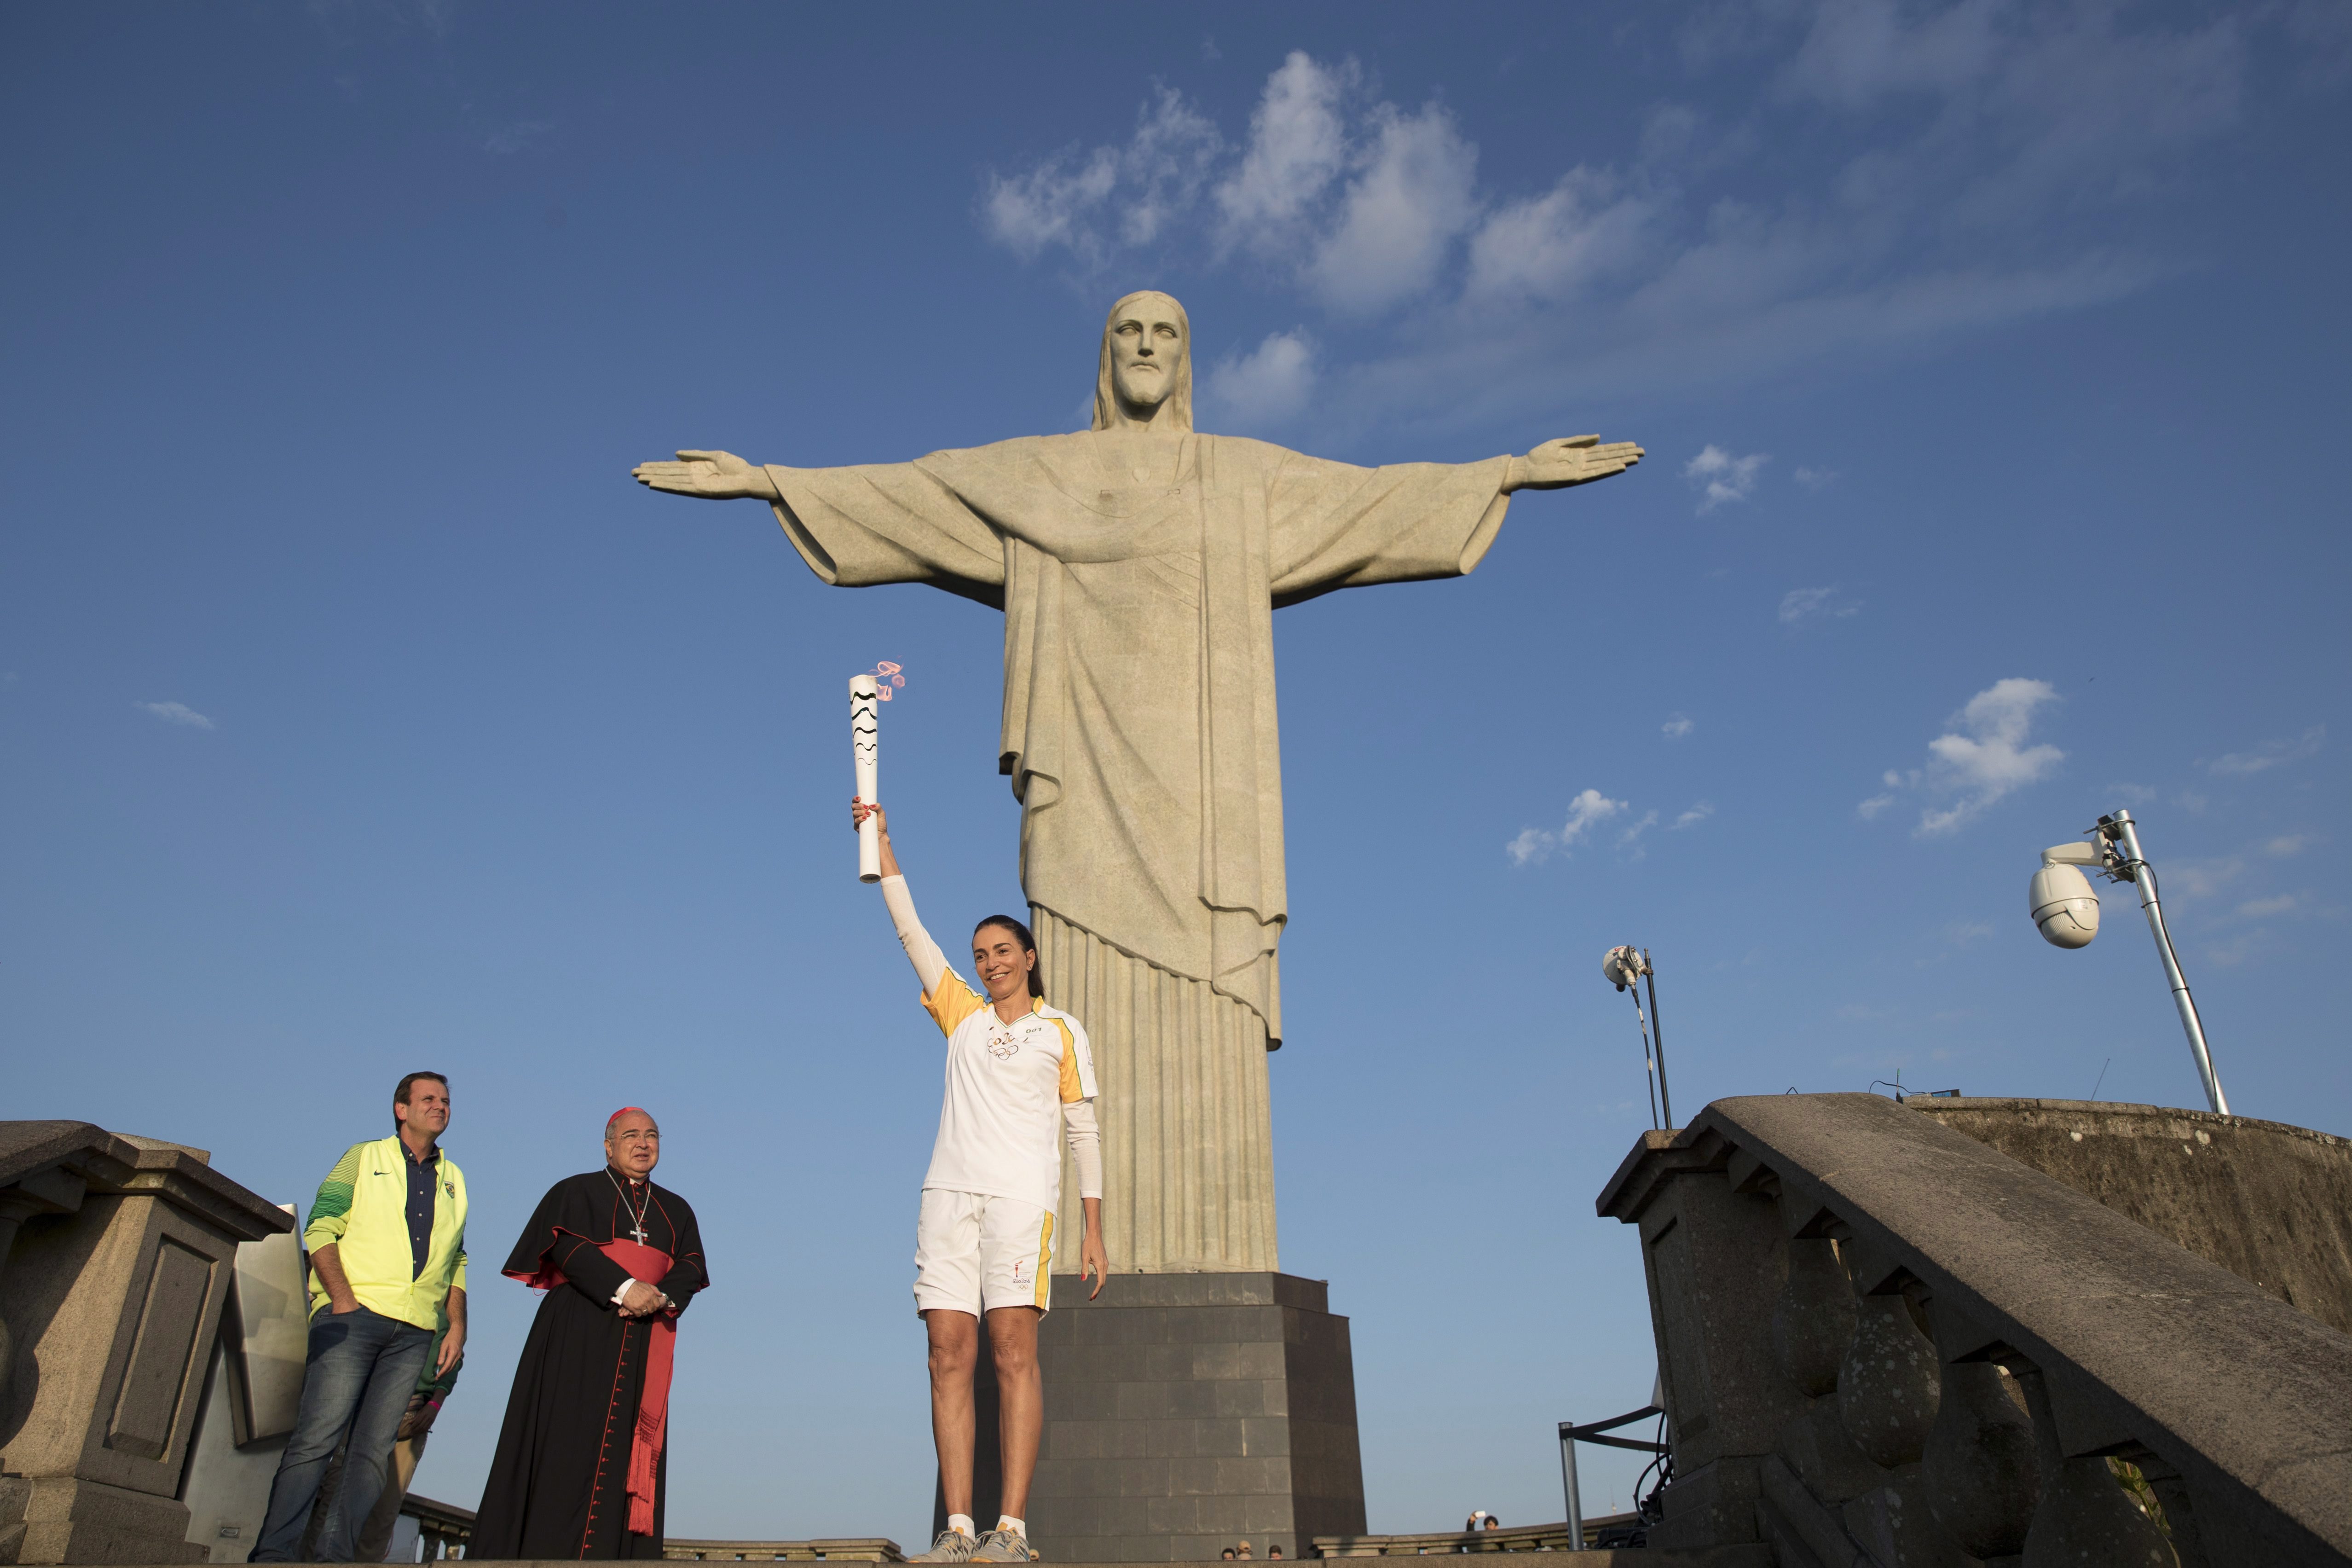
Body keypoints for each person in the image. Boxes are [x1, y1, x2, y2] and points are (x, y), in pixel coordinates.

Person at [634, 293, 1641, 1279]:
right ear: (1104, 355)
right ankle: (1086, 1257)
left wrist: (1506, 470)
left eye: (1166, 332)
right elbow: (916, 493)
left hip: (1208, 801)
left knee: (1207, 999)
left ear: (1188, 357)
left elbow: (1370, 498)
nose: (1146, 346)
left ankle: (1209, 1252)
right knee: (1080, 1021)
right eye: (1128, 331)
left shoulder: (1240, 477)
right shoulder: (1042, 473)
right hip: (1081, 790)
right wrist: (770, 482)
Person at [855, 802, 1107, 1564]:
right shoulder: (960, 1014)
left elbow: (1082, 1128)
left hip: (1021, 1203)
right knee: (946, 1350)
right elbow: (910, 930)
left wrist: (1093, 1227)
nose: (990, 960)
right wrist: (883, 841)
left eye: (1003, 949)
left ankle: (1013, 1529)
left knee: (1010, 1350)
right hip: (948, 1198)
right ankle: (959, 1528)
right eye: (981, 952)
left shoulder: (1058, 1031)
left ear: (1029, 956)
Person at [249, 1073, 468, 1563]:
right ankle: (273, 1555)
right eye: (428, 1099)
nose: (440, 1106)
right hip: (352, 1319)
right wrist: (342, 1300)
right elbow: (321, 1228)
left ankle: (333, 1558)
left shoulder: (454, 1178)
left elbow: (457, 1259)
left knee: (370, 1458)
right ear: (401, 1108)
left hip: (413, 1332)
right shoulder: (363, 1156)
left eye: (446, 1101)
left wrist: (457, 1324)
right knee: (316, 1442)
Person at [471, 1108, 709, 1559]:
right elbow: (564, 1245)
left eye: (652, 1135)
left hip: (645, 1342)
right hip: (577, 1331)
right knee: (561, 1445)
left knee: (629, 1457)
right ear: (608, 1145)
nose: (643, 1143)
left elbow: (692, 1264)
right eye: (631, 1135)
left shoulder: (677, 1209)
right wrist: (623, 1288)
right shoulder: (574, 1191)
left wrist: (658, 1296)